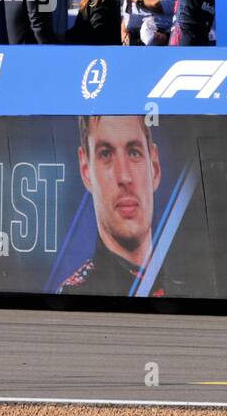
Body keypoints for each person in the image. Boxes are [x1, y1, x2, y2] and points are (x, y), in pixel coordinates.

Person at [60, 115, 164, 296]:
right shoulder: (77, 295)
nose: (124, 177)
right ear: (86, 170)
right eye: (106, 154)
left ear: (154, 167)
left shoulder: (193, 279)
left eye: (134, 152)